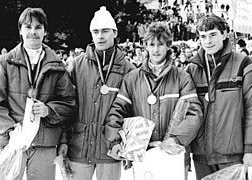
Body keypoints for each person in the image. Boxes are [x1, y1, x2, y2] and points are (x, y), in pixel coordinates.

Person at [104, 22, 203, 180]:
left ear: (168, 45)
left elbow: (195, 114)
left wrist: (176, 139)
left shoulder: (182, 77)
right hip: (143, 156)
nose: (156, 50)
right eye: (151, 44)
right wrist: (114, 140)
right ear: (145, 46)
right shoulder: (132, 79)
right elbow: (117, 111)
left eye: (161, 44)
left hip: (174, 155)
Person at [0, 7, 77, 180]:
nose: (33, 31)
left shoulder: (58, 66)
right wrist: (9, 130)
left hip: (44, 144)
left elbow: (69, 103)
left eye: (38, 27)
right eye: (28, 26)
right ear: (20, 31)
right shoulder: (5, 63)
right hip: (12, 142)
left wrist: (49, 110)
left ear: (45, 31)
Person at [58, 6, 135, 180]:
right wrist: (63, 140)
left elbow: (132, 111)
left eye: (105, 31)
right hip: (78, 146)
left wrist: (130, 147)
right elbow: (65, 105)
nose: (100, 36)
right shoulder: (76, 65)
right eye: (96, 31)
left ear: (114, 33)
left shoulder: (128, 69)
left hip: (110, 149)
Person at [186, 13, 252, 180]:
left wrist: (250, 149)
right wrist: (185, 153)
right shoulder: (192, 69)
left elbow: (251, 109)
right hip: (202, 156)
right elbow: (185, 113)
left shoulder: (243, 64)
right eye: (203, 36)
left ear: (224, 34)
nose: (208, 41)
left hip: (232, 156)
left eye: (213, 35)